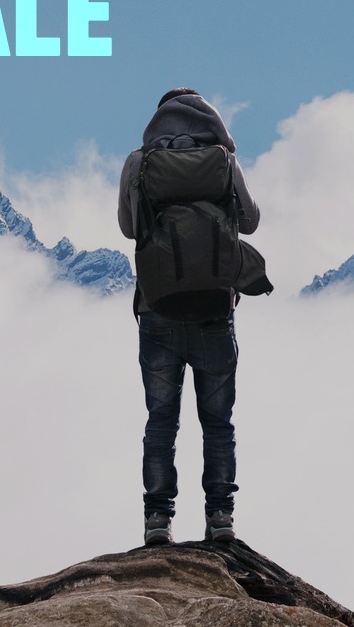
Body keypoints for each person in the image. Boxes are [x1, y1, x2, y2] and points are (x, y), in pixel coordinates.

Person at [118, 88, 260, 545]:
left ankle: (157, 520)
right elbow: (252, 221)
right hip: (215, 311)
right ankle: (221, 517)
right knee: (218, 422)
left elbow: (127, 227)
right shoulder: (223, 160)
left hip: (158, 309)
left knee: (161, 420)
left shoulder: (138, 163)